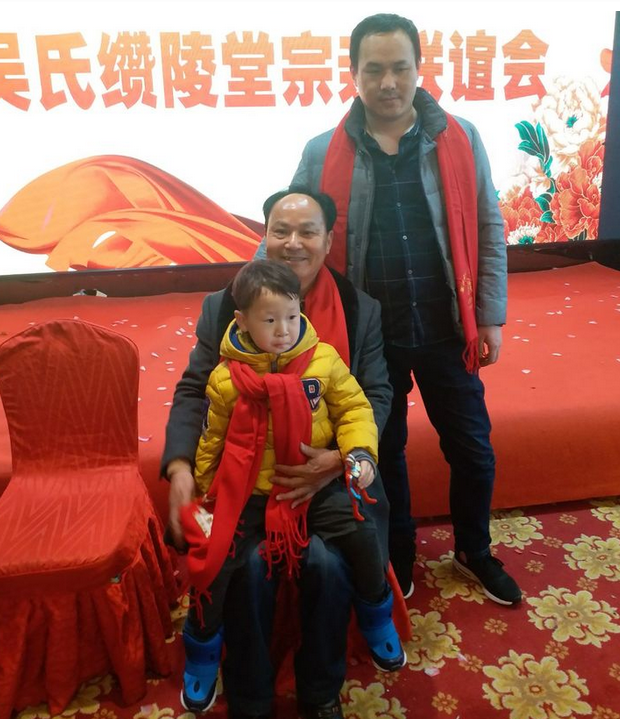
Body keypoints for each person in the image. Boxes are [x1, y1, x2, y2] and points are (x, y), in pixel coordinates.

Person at [285, 12, 521, 606]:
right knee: (383, 453)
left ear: (419, 68)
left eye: (399, 68)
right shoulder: (322, 152)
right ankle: (398, 556)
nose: (388, 82)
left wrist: (490, 316)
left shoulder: (459, 138)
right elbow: (296, 237)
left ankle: (473, 549)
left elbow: (488, 226)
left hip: (447, 326)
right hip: (369, 339)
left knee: (473, 449)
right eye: (374, 70)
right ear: (353, 74)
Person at [162, 188, 395, 719]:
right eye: (280, 231)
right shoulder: (226, 305)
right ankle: (248, 697)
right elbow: (197, 391)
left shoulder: (358, 309)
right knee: (241, 567)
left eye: (307, 232)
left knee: (328, 564)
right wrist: (182, 468)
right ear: (263, 237)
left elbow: (373, 396)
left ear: (329, 240)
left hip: (333, 473)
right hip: (245, 481)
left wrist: (340, 460)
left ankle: (320, 692)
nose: (293, 243)